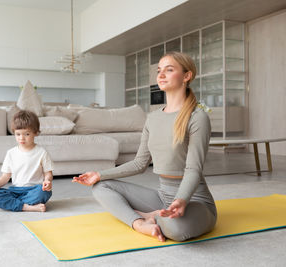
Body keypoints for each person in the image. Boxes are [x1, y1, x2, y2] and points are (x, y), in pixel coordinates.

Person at [73, 51, 216, 242]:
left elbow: (193, 169)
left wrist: (181, 200)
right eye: (159, 71)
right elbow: (140, 163)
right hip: (163, 195)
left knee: (177, 230)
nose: (161, 75)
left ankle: (150, 215)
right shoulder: (153, 118)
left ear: (187, 76)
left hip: (195, 200)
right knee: (101, 187)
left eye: (169, 70)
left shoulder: (198, 117)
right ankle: (140, 223)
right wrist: (99, 174)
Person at [0, 110, 54, 212]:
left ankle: (14, 204)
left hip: (34, 189)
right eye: (18, 134)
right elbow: (5, 176)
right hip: (15, 190)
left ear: (35, 133)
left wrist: (47, 181)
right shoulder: (11, 153)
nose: (21, 138)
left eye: (26, 134)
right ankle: (27, 207)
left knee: (44, 192)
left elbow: (48, 173)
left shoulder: (42, 152)